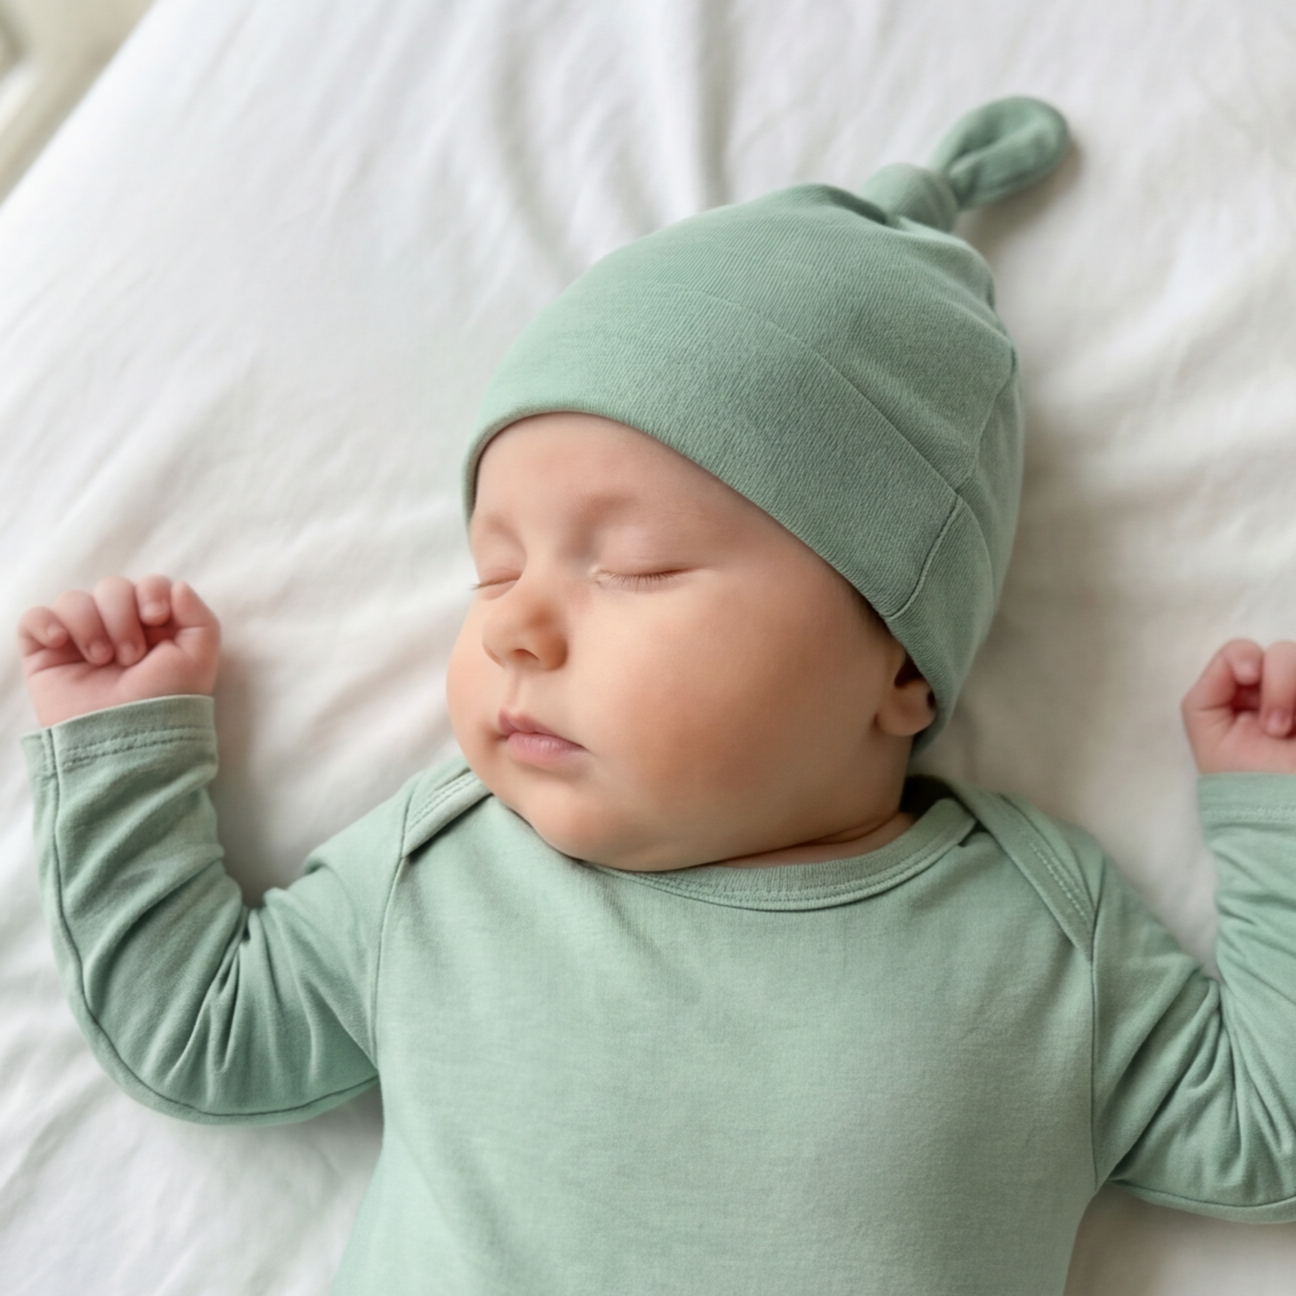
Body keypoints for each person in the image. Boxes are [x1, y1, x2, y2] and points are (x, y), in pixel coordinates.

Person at [16, 98, 1296, 1295]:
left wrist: (1273, 822)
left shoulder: (1036, 941)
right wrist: (123, 747)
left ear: (901, 660)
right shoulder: (446, 869)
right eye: (492, 569)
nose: (514, 622)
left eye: (632, 568)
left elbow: (1266, 1136)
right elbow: (199, 1037)